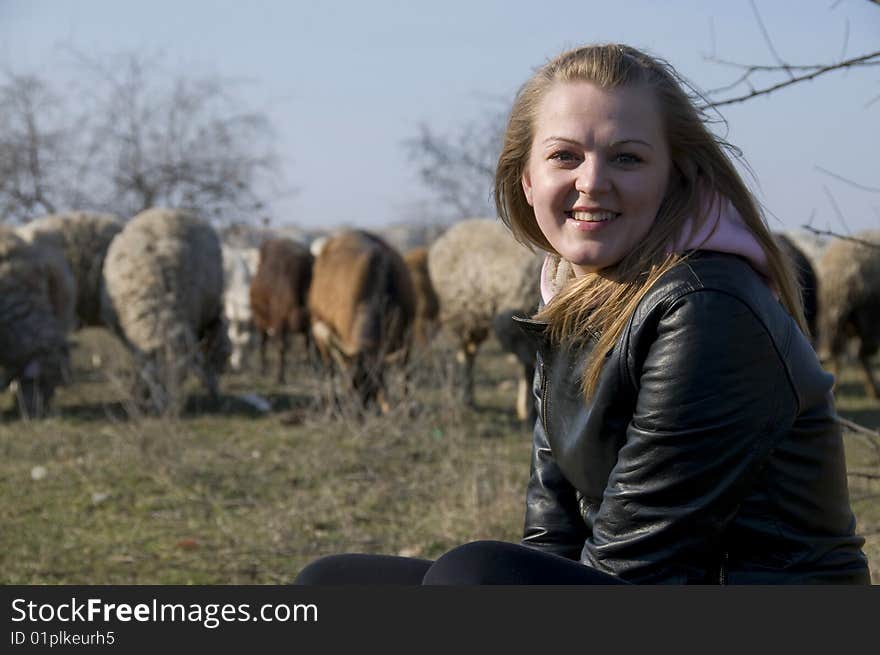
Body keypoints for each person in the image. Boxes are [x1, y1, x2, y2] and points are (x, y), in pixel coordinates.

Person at [294, 43, 870, 585]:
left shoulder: (705, 307)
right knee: (335, 584)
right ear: (527, 180)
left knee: (474, 577)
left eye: (627, 157)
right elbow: (552, 535)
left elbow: (639, 564)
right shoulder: (570, 295)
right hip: (643, 585)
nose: (591, 182)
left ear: (675, 176)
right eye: (565, 156)